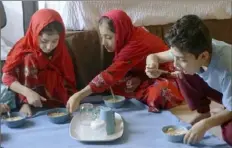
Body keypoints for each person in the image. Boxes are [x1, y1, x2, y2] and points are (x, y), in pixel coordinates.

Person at [67, 10, 184, 113]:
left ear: (121, 31)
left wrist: (78, 95)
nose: (103, 43)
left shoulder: (135, 45)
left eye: (108, 37)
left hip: (169, 73)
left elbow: (110, 74)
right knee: (116, 85)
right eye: (102, 37)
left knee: (161, 93)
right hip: (145, 73)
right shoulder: (131, 34)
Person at [146, 15, 232, 145]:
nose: (175, 63)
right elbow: (154, 56)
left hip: (228, 89)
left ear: (204, 56)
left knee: (230, 134)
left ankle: (211, 116)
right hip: (223, 90)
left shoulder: (227, 67)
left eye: (181, 59)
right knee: (183, 70)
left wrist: (205, 125)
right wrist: (152, 65)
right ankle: (204, 112)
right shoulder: (190, 49)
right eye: (175, 57)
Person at [2, 9, 77, 117]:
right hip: (27, 96)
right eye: (44, 41)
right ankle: (25, 104)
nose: (49, 47)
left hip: (55, 99)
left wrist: (72, 99)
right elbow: (6, 77)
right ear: (34, 33)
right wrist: (27, 93)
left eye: (54, 41)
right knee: (30, 58)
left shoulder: (61, 50)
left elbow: (69, 79)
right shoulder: (22, 48)